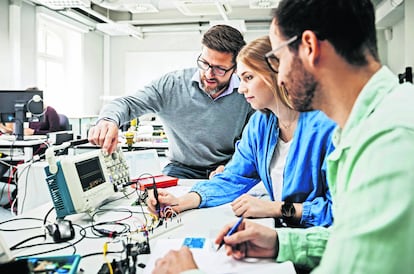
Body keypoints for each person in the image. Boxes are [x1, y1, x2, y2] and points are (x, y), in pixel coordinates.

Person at [151, 0, 414, 273]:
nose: (281, 74)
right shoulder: (368, 123)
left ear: (309, 47)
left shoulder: (391, 139)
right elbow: (352, 241)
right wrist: (280, 242)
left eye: (278, 57)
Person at [147, 36, 336, 228]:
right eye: (240, 79)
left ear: (277, 73)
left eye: (248, 78)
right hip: (284, 234)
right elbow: (233, 178)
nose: (241, 89)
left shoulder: (327, 127)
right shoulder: (261, 124)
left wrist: (276, 208)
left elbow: (337, 211)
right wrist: (183, 201)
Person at [88, 24, 253, 179]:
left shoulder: (247, 94)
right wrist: (108, 119)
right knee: (159, 204)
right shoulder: (172, 85)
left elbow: (252, 143)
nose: (209, 74)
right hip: (181, 168)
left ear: (235, 68)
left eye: (220, 68)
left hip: (229, 167)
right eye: (204, 63)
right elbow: (128, 103)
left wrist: (233, 166)